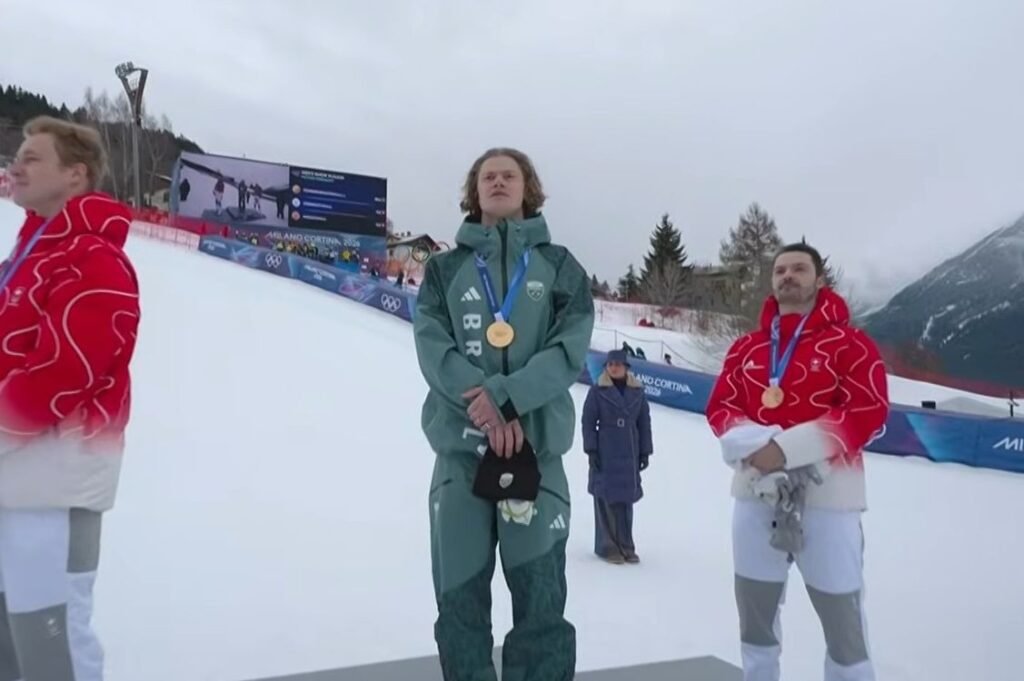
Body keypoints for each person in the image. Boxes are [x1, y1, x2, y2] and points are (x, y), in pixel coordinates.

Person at [413, 147, 594, 681]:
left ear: (527, 187)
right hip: (461, 456)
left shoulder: (560, 266)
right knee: (459, 605)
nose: (497, 182)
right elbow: (433, 348)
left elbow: (568, 350)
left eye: (508, 175)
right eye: (487, 176)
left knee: (541, 606)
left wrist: (507, 399)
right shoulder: (444, 269)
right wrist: (489, 408)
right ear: (474, 191)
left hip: (535, 456)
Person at [705, 242, 888, 681]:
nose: (788, 276)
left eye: (799, 269)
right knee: (755, 614)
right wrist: (759, 449)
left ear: (819, 279)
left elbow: (867, 411)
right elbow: (721, 407)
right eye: (780, 270)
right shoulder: (746, 348)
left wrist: (785, 450)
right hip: (756, 492)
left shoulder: (852, 344)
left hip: (829, 498)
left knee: (842, 622)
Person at [1, 116, 141, 681]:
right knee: (10, 647)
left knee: (50, 649)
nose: (16, 167)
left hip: (54, 487)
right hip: (13, 479)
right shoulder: (29, 255)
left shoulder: (95, 260)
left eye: (32, 157)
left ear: (75, 175)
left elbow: (62, 373)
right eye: (17, 156)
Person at [581, 349, 652, 564]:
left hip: (629, 451)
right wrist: (591, 450)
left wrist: (645, 452)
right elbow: (588, 422)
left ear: (626, 367)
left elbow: (644, 423)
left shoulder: (637, 392)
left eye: (617, 364)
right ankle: (607, 546)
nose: (613, 368)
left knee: (625, 500)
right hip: (606, 450)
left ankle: (626, 545)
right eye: (610, 364)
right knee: (605, 498)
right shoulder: (597, 391)